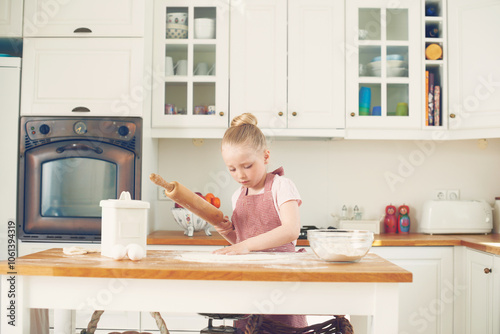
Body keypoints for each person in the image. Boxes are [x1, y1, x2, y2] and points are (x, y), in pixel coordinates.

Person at [213, 113, 308, 329]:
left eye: (247, 166)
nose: (240, 175)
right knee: (249, 329)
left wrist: (244, 245)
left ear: (265, 157)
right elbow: (242, 240)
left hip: (281, 282)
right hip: (248, 282)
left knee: (283, 328)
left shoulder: (281, 186)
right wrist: (226, 232)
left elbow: (291, 230)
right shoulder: (237, 195)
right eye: (232, 169)